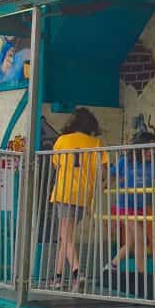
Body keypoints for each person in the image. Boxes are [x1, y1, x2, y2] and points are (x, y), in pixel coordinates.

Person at [101, 130, 155, 296]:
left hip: (140, 207)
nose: (151, 152)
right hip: (124, 206)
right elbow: (113, 173)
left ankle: (112, 265)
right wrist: (105, 184)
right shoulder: (125, 162)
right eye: (147, 149)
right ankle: (142, 275)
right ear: (139, 149)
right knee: (138, 236)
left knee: (130, 242)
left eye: (154, 149)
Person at [47, 107, 104, 291]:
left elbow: (56, 164)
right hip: (82, 196)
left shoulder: (62, 140)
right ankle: (57, 277)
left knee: (66, 236)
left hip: (63, 193)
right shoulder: (96, 143)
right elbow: (101, 170)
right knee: (66, 237)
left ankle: (77, 272)